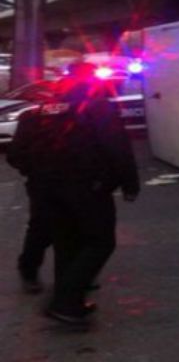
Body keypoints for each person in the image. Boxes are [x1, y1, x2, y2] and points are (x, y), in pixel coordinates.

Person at [7, 63, 140, 326]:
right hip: (87, 188)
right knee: (100, 242)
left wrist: (37, 173)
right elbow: (118, 149)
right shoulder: (98, 108)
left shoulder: (36, 113)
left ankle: (68, 301)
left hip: (45, 188)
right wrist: (129, 183)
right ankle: (65, 300)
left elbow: (15, 155)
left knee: (65, 241)